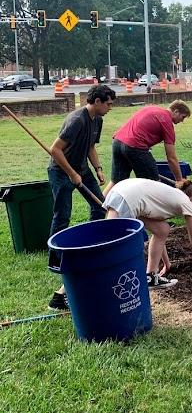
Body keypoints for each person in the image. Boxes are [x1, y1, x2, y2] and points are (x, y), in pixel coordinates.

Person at [47, 84, 116, 310]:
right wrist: (72, 173)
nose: (110, 107)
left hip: (82, 169)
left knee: (100, 207)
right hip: (61, 170)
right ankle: (57, 258)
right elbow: (55, 150)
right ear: (97, 101)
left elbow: (90, 147)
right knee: (62, 215)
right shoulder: (77, 120)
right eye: (108, 103)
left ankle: (92, 243)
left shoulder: (98, 120)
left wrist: (97, 168)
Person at [103, 179, 192, 289]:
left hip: (119, 190)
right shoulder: (186, 203)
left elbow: (161, 235)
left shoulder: (170, 197)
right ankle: (107, 281)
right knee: (115, 244)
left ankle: (151, 276)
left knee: (162, 230)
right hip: (128, 198)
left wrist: (167, 264)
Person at [104, 99, 191, 193]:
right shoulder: (167, 122)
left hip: (118, 141)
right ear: (176, 111)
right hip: (135, 146)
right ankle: (148, 207)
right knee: (153, 184)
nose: (182, 121)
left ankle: (98, 206)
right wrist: (179, 179)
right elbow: (171, 158)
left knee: (116, 181)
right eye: (183, 117)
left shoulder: (152, 108)